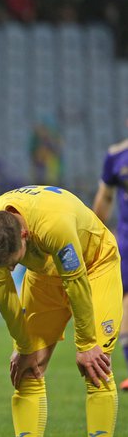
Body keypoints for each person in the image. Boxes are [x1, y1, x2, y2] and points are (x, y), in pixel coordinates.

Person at [0, 185, 122, 437]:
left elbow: (76, 282)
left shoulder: (54, 224)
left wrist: (87, 344)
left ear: (24, 234)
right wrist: (24, 347)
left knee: (95, 366)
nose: (10, 269)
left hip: (94, 266)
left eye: (14, 260)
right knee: (28, 370)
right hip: (44, 276)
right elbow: (1, 291)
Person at [92, 138, 128, 392]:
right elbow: (105, 197)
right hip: (127, 242)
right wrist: (94, 235)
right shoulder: (116, 155)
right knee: (124, 300)